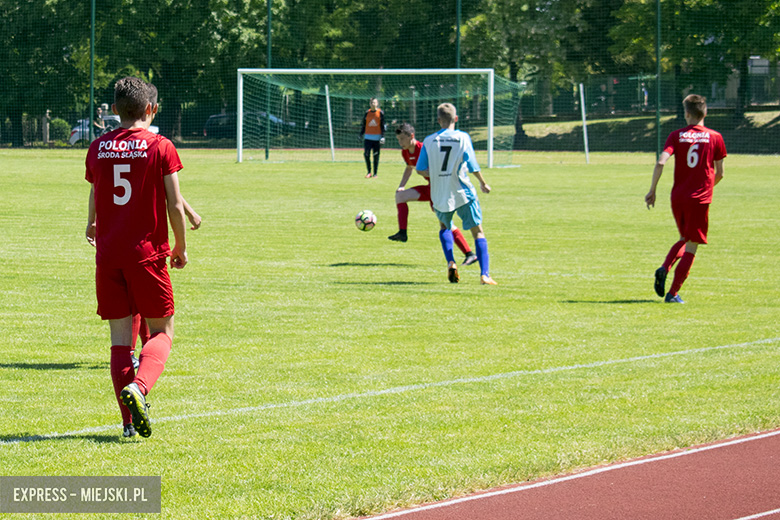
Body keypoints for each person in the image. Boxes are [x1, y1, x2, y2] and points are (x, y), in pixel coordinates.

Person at [85, 77, 188, 439]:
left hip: (109, 255)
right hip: (147, 254)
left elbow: (97, 190)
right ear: (151, 109)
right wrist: (181, 246)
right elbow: (174, 204)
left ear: (113, 110)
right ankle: (140, 389)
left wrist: (91, 223)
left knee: (119, 341)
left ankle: (128, 426)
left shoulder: (97, 147)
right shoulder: (161, 146)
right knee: (162, 332)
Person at [127, 83, 202, 370]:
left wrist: (191, 212)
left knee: (137, 300)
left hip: (120, 236)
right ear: (151, 109)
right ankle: (141, 353)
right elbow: (168, 190)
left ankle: (141, 352)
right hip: (145, 236)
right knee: (142, 302)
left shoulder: (117, 144)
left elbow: (165, 186)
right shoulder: (152, 143)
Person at [645, 94, 727, 304]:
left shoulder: (676, 135)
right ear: (705, 112)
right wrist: (707, 188)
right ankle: (672, 293)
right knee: (692, 245)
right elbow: (720, 173)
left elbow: (661, 161)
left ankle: (664, 268)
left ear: (687, 113)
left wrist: (652, 190)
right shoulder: (715, 137)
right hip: (699, 198)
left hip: (678, 197)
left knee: (685, 238)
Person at [416, 103, 497, 285]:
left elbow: (420, 169)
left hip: (439, 193)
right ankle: (485, 275)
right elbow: (473, 165)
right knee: (478, 232)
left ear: (438, 120)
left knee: (445, 226)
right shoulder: (462, 137)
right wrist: (483, 183)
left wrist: (436, 174)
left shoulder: (429, 141)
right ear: (456, 119)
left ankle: (451, 262)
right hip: (462, 191)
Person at [388, 123, 477, 266]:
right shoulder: (405, 152)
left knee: (445, 223)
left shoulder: (424, 148)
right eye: (398, 139)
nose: (400, 142)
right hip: (431, 188)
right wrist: (401, 185)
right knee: (400, 196)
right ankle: (402, 232)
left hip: (440, 189)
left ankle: (469, 253)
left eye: (402, 139)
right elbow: (410, 167)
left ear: (412, 136)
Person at [359, 97, 385, 178]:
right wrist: (360, 134)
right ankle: (369, 172)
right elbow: (364, 125)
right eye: (371, 103)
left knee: (376, 155)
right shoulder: (367, 113)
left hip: (377, 138)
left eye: (374, 102)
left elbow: (383, 125)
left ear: (377, 103)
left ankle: (375, 173)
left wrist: (383, 136)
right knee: (366, 154)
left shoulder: (380, 113)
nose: (373, 104)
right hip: (368, 138)